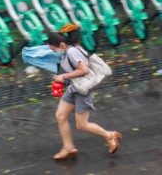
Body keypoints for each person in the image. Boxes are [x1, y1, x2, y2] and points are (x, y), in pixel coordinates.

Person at [47, 23, 122, 161]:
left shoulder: (71, 51)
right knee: (60, 116)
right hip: (74, 87)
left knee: (82, 125)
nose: (53, 52)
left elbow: (84, 70)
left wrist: (64, 76)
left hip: (82, 90)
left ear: (62, 45)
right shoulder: (72, 47)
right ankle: (68, 147)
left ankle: (109, 135)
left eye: (54, 49)